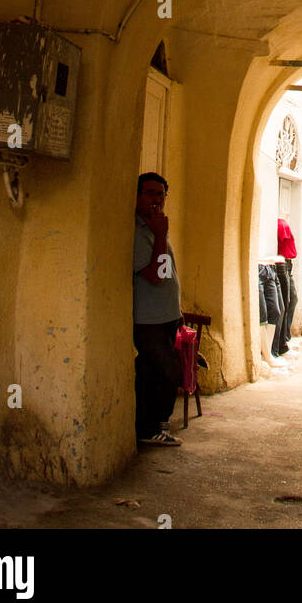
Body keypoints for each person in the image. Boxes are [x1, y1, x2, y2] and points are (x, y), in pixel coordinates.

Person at [133, 172, 183, 447]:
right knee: (164, 371)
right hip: (149, 318)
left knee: (153, 371)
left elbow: (169, 273)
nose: (156, 200)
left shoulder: (154, 227)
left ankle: (153, 426)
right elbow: (157, 275)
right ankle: (150, 427)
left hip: (166, 315)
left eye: (161, 194)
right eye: (150, 193)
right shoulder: (141, 232)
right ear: (138, 196)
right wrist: (161, 234)